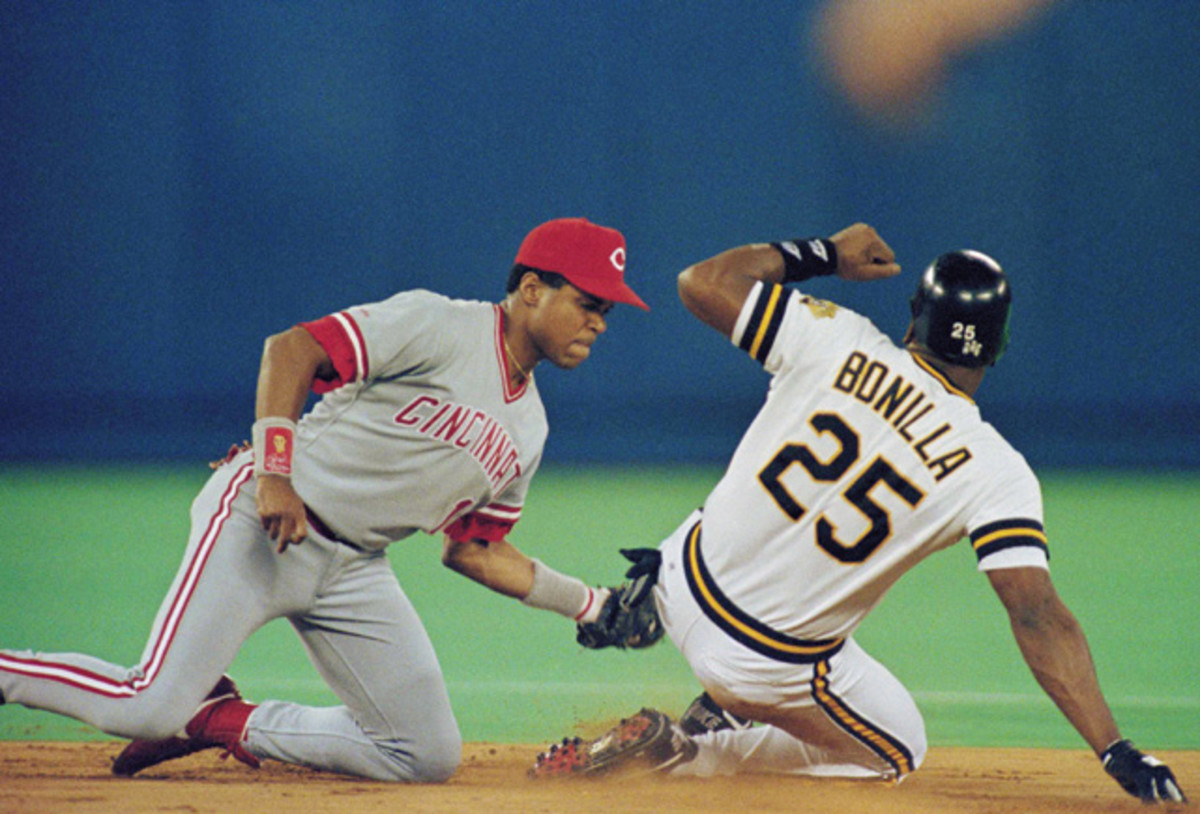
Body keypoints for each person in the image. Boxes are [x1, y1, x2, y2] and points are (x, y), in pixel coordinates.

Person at [531, 223, 1186, 804]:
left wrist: (824, 253)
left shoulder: (837, 338)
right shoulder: (995, 469)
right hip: (757, 665)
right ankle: (692, 753)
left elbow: (701, 282)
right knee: (899, 750)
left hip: (675, 577)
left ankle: (709, 691)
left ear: (914, 323)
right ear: (996, 346)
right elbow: (1035, 613)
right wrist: (1112, 746)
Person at [0, 217, 650, 783]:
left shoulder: (529, 429)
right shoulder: (441, 325)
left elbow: (476, 551)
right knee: (146, 705)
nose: (598, 321)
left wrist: (589, 604)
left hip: (353, 569)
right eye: (589, 301)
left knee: (423, 755)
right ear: (532, 288)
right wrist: (274, 474)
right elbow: (294, 348)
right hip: (261, 521)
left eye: (608, 311)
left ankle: (215, 719)